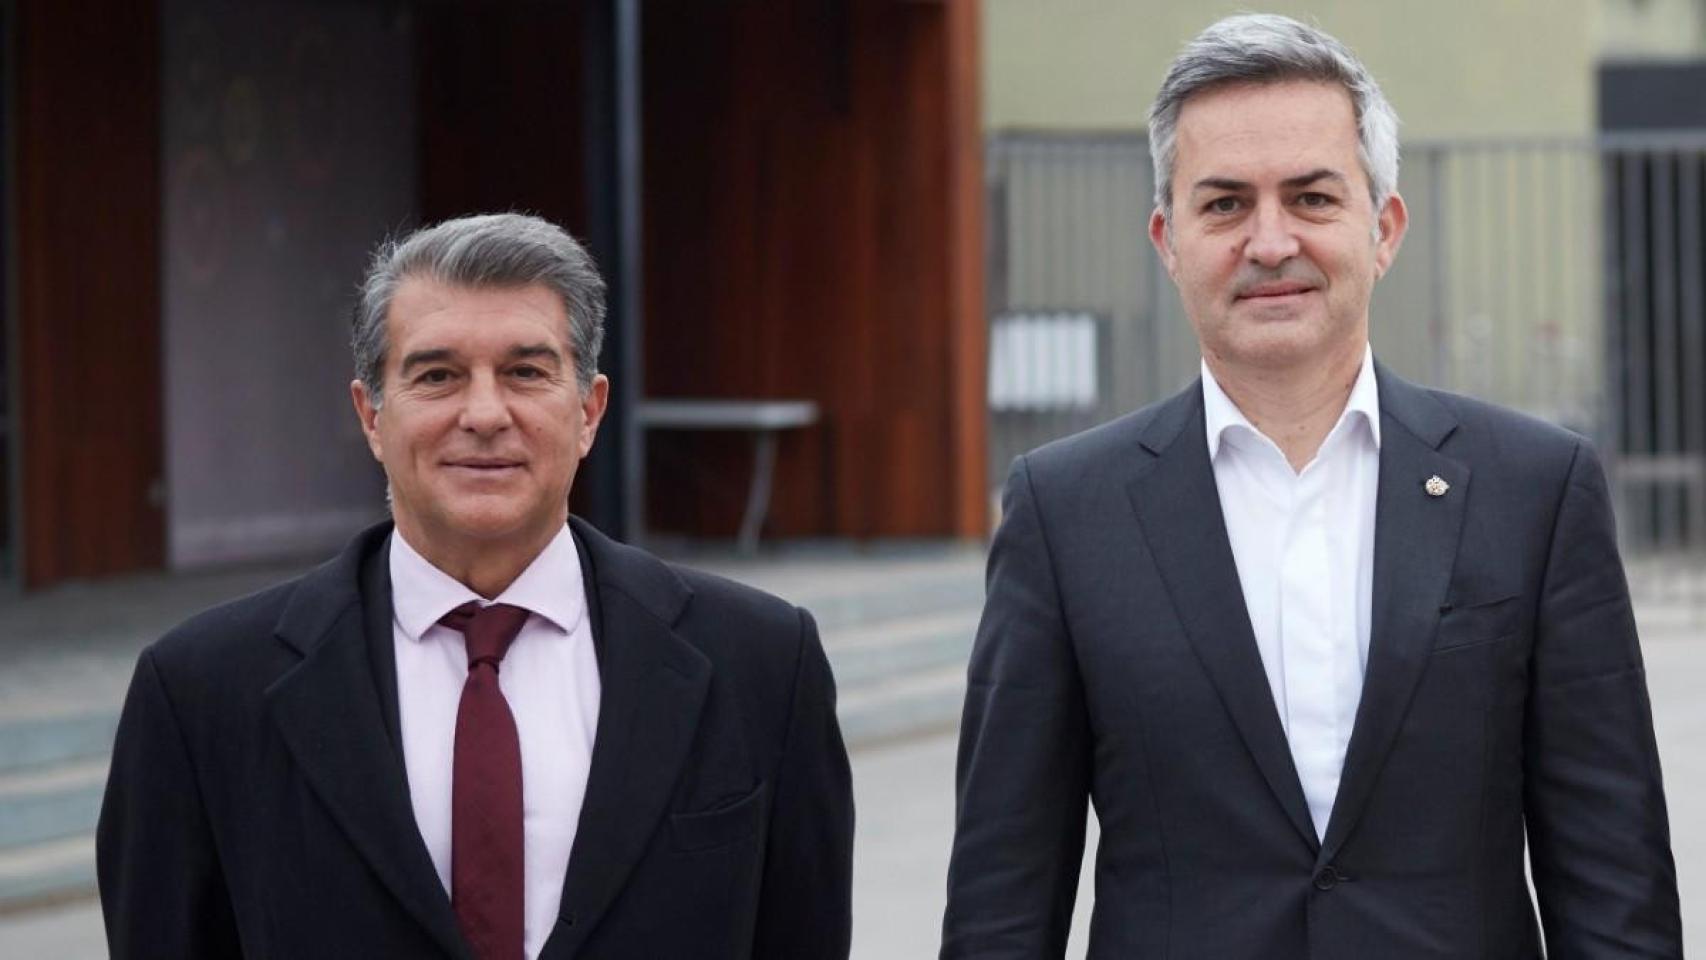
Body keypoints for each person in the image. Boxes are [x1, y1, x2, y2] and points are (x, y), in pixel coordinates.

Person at [941, 14, 1680, 958]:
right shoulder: (1065, 512)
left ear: (1384, 227)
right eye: (1224, 205)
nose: (1270, 241)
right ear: (1168, 241)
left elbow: (1614, 883)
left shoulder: (1534, 490)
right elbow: (1003, 901)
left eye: (1311, 197)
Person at [97, 213, 853, 960]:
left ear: (588, 412)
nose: (485, 414)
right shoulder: (201, 691)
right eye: (437, 376)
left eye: (526, 372)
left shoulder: (761, 663)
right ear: (371, 416)